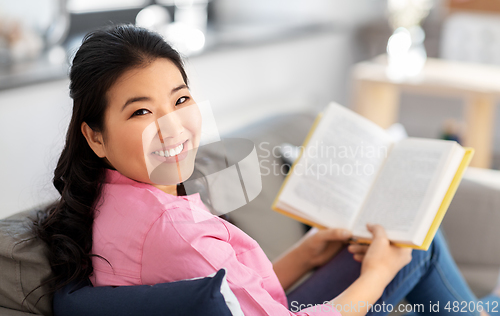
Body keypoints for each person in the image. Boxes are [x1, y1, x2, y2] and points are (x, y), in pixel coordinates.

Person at [33, 23, 500, 316]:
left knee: (409, 237)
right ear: (95, 135)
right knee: (412, 244)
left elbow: (230, 295)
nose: (171, 127)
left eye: (180, 100)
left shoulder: (112, 197)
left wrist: (306, 255)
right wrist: (376, 277)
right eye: (140, 113)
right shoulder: (173, 230)